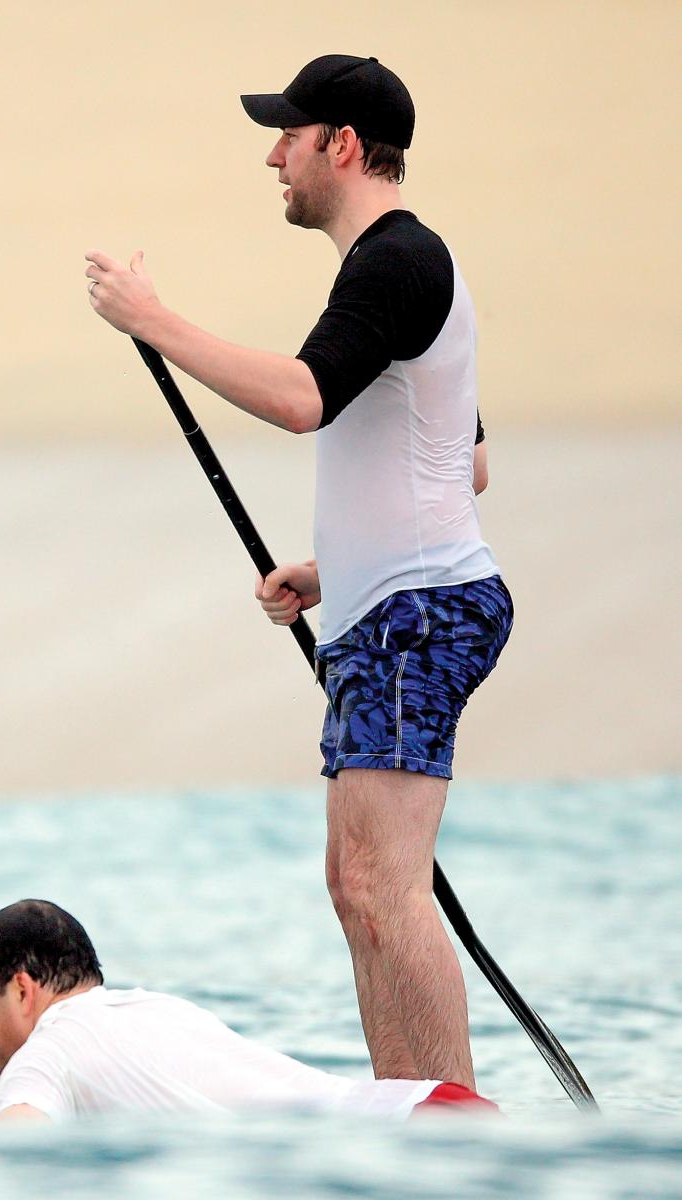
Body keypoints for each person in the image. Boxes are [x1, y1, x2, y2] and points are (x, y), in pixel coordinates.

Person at [85, 54, 513, 1093]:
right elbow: (465, 460)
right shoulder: (392, 270)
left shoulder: (397, 261)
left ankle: (455, 1132)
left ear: (344, 147)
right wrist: (339, 568)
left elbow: (298, 400)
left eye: (289, 134)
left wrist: (153, 319)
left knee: (381, 884)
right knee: (353, 885)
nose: (274, 154)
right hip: (389, 603)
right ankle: (404, 1114)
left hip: (423, 614)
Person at [0, 899, 497, 1123]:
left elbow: (12, 1166)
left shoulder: (47, 1048)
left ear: (23, 991)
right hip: (438, 1106)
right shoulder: (158, 1011)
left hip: (402, 1147)